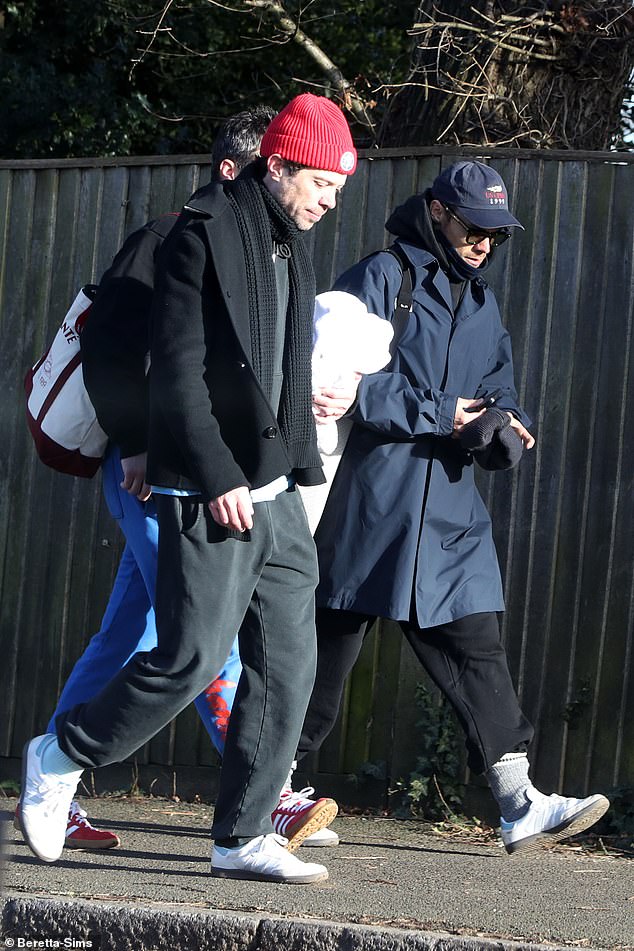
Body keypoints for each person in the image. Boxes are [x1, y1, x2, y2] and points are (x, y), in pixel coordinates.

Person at [19, 93, 358, 884]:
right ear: (277, 166)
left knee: (289, 658)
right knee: (188, 654)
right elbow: (175, 371)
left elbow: (275, 364)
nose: (329, 201)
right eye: (321, 183)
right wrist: (213, 475)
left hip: (272, 487)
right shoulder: (193, 236)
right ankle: (58, 753)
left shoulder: (289, 241)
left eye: (337, 187)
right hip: (205, 484)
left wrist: (302, 455)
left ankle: (241, 834)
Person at [288, 161, 610, 856]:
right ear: (438, 212)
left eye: (496, 233)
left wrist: (505, 430)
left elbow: (502, 390)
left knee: (479, 652)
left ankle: (519, 801)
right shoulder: (382, 278)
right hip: (370, 509)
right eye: (475, 227)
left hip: (450, 519)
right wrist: (440, 411)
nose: (485, 243)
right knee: (319, 666)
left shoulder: (484, 302)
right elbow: (329, 382)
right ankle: (265, 793)